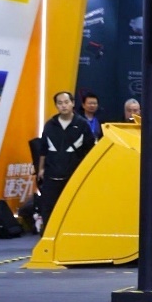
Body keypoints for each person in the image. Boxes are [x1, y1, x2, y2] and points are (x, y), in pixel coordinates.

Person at [37, 91, 96, 233]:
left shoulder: (82, 124)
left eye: (66, 102)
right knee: (48, 208)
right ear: (56, 106)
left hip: (73, 175)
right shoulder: (50, 125)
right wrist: (41, 169)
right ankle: (48, 236)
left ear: (73, 103)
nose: (63, 106)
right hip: (52, 174)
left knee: (74, 208)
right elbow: (43, 149)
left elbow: (90, 150)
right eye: (60, 103)